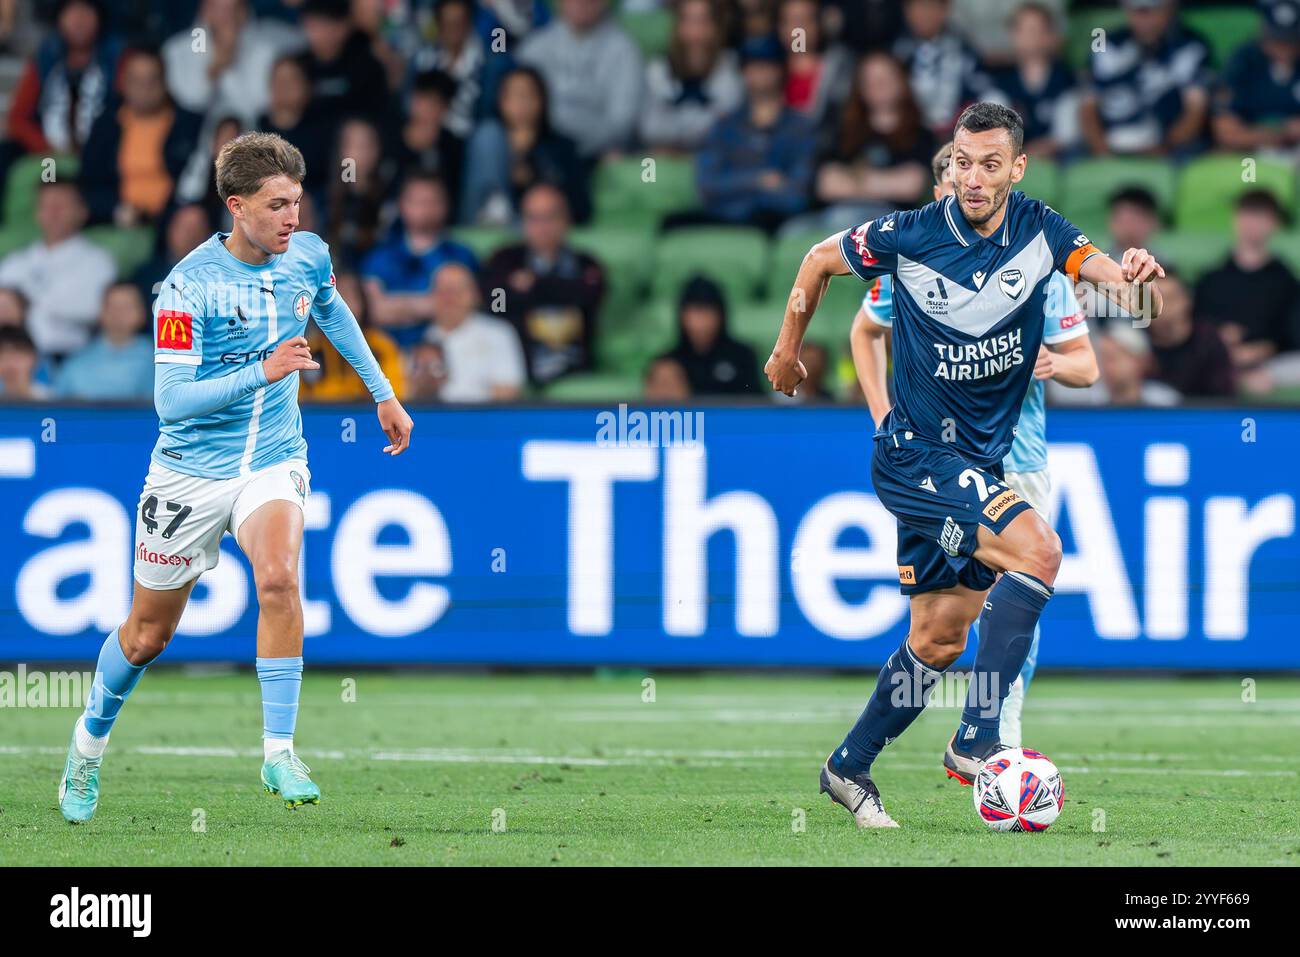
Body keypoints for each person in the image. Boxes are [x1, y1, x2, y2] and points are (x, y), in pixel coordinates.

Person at [765, 103, 1165, 827]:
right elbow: (818, 260)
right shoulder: (913, 234)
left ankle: (847, 768)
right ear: (948, 162)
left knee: (939, 639)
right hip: (917, 456)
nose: (971, 178)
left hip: (974, 461)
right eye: (961, 160)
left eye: (989, 164)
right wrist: (788, 346)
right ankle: (979, 736)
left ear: (1016, 168)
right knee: (1039, 549)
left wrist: (1135, 278)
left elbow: (1123, 287)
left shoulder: (1042, 232)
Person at [55, 131, 414, 823]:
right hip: (189, 473)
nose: (293, 219)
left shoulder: (306, 254)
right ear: (236, 206)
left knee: (278, 576)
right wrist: (263, 370)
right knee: (145, 638)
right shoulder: (187, 286)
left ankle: (278, 749)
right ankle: (87, 744)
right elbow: (172, 401)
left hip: (273, 458)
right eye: (278, 205)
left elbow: (330, 308)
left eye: (298, 203)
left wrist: (382, 393)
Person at [848, 139, 1099, 748]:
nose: (961, 192)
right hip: (936, 458)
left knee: (1012, 590)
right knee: (949, 621)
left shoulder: (1039, 265)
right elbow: (864, 330)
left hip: (1019, 457)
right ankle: (975, 738)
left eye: (980, 174)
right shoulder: (911, 264)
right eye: (951, 180)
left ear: (1009, 180)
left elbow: (1087, 368)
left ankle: (994, 734)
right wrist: (885, 417)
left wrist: (1050, 362)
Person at [480, 183, 605, 385]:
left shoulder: (586, 263)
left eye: (550, 217)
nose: (542, 227)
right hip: (519, 368)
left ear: (566, 220)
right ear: (523, 222)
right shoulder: (504, 260)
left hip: (575, 372)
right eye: (534, 218)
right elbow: (495, 304)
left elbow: (589, 295)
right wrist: (561, 289)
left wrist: (533, 285)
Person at [691, 35, 816, 232]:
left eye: (767, 65)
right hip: (725, 221)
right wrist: (759, 180)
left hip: (779, 224)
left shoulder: (800, 127)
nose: (760, 73)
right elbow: (707, 186)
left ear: (781, 70)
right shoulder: (724, 126)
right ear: (743, 71)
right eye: (752, 66)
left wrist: (742, 190)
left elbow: (798, 194)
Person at [79, 47, 203, 227]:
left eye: (152, 80)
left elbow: (198, 183)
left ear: (165, 81)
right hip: (117, 220)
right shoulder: (107, 125)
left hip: (173, 221)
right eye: (137, 80)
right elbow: (88, 182)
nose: (145, 88)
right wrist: (115, 209)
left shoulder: (188, 125)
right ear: (123, 83)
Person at [1194, 190, 1300, 390]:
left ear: (1274, 223)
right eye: (1246, 213)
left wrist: (1266, 348)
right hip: (1216, 358)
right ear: (1235, 219)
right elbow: (1194, 325)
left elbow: (1293, 334)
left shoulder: (1287, 282)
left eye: (1260, 216)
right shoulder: (1211, 279)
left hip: (1271, 365)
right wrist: (1219, 338)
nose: (1252, 223)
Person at [0, 179, 116, 359]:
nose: (53, 213)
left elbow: (93, 311)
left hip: (69, 358)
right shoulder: (15, 262)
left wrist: (25, 303)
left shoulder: (98, 262)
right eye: (45, 206)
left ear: (82, 212)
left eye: (61, 205)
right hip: (12, 359)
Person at [460, 65, 589, 225]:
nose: (521, 104)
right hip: (483, 220)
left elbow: (580, 208)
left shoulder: (562, 146)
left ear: (542, 100)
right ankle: (495, 208)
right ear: (500, 102)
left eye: (528, 96)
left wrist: (533, 176)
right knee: (488, 135)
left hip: (538, 225)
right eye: (513, 96)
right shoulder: (484, 141)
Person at [1079, 0, 1210, 156]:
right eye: (1138, 11)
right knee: (1073, 159)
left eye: (1153, 10)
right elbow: (1087, 106)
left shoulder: (1192, 44)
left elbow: (1196, 110)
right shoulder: (1105, 42)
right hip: (1111, 141)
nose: (1145, 19)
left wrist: (1166, 148)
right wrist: (1101, 150)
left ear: (1170, 8)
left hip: (1170, 146)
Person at [361, 171, 476, 347]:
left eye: (432, 201)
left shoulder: (461, 255)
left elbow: (463, 308)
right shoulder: (379, 256)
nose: (425, 208)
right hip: (388, 356)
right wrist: (433, 303)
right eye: (417, 201)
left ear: (445, 205)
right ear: (402, 205)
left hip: (452, 351)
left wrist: (396, 305)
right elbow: (374, 311)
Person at [516, 0, 644, 159]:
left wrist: (570, 141)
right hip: (538, 149)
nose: (580, 3)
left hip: (591, 154)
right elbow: (517, 110)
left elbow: (622, 123)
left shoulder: (624, 51)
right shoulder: (533, 48)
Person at [161, 0, 303, 130]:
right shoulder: (177, 49)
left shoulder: (270, 46)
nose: (228, 17)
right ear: (204, 9)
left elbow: (261, 101)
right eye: (219, 9)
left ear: (245, 10)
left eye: (234, 9)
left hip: (262, 134)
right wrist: (215, 68)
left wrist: (235, 53)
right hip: (199, 138)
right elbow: (192, 100)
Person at [639, 0, 744, 153]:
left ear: (715, 27)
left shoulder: (729, 68)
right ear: (677, 26)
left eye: (702, 22)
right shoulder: (657, 70)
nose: (695, 32)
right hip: (666, 162)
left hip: (717, 160)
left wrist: (674, 129)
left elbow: (728, 129)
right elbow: (650, 129)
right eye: (688, 21)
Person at [892, 0, 1001, 138]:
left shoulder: (961, 49)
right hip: (906, 137)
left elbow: (986, 90)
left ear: (944, 11)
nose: (924, 14)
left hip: (957, 137)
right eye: (918, 6)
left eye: (930, 7)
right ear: (907, 11)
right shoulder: (897, 53)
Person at [421, 261, 527, 402]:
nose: (450, 298)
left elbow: (508, 392)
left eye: (458, 291)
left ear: (475, 295)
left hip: (484, 419)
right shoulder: (421, 336)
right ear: (431, 296)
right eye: (443, 291)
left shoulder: (498, 333)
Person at [986, 2, 1077, 157]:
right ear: (1013, 35)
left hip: (1059, 159)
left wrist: (1032, 153)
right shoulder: (1000, 82)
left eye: (1037, 30)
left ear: (1050, 36)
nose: (1031, 36)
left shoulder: (1066, 80)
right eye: (1024, 30)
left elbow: (1066, 136)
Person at [300, 270, 406, 401]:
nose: (342, 304)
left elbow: (394, 397)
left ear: (363, 303)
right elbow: (298, 402)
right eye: (337, 296)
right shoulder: (309, 349)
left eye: (349, 296)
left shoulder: (380, 346)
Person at [1212, 0, 1300, 153]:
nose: (1284, 48)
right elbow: (1226, 132)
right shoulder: (1242, 61)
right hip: (1250, 155)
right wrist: (1280, 133)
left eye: (1291, 40)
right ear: (1263, 32)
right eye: (1277, 40)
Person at [53, 281, 154, 399]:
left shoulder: (161, 360)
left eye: (127, 306)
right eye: (112, 306)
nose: (119, 314)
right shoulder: (76, 362)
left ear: (142, 313)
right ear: (101, 312)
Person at [1148, 268, 1236, 398]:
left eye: (1170, 299)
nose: (1161, 307)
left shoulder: (1208, 341)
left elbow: (1223, 396)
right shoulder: (1134, 342)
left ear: (1187, 301)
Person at [667, 275, 761, 395]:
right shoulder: (668, 365)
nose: (701, 322)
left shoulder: (742, 358)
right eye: (695, 313)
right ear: (682, 316)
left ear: (721, 315)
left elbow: (757, 405)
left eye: (707, 312)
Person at [0, 324, 51, 399]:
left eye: (17, 357)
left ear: (34, 358)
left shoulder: (51, 401)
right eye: (4, 358)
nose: (10, 365)